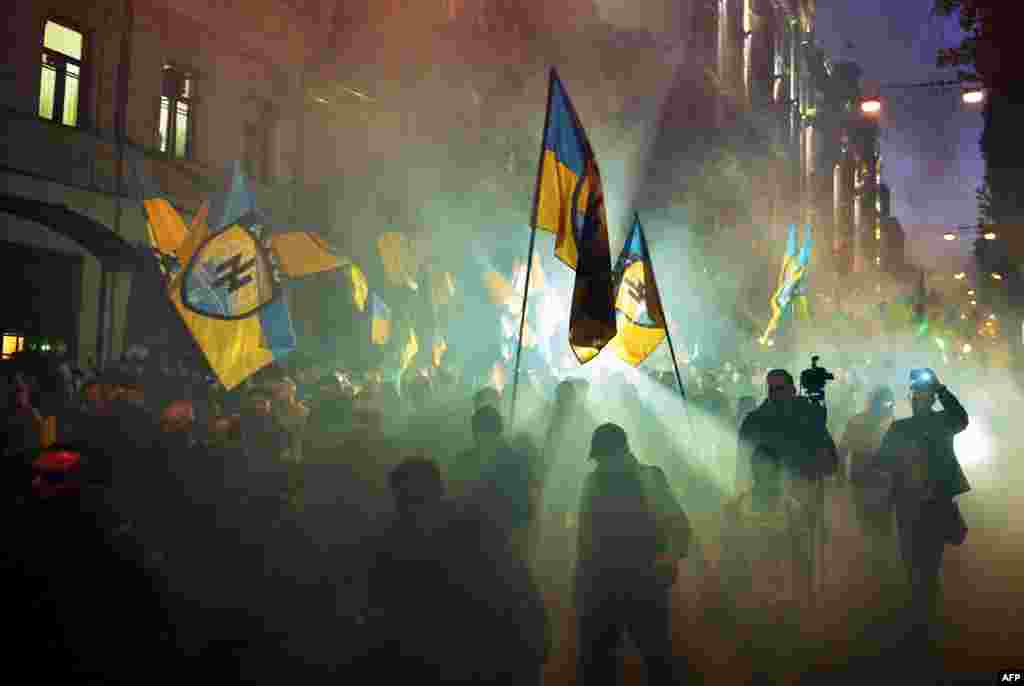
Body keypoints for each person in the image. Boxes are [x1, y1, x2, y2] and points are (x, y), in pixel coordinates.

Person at [575, 423, 694, 686]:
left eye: (603, 458)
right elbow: (584, 538)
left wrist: (668, 560)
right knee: (599, 665)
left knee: (656, 661)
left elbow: (679, 526)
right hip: (602, 586)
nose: (600, 465)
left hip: (642, 583)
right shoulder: (593, 481)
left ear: (620, 452)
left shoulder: (649, 478)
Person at [876, 368, 969, 657]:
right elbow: (884, 463)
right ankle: (924, 624)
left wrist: (941, 388)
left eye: (922, 395)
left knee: (923, 567)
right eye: (918, 395)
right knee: (922, 568)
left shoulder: (914, 426)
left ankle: (923, 625)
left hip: (925, 506)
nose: (919, 400)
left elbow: (961, 418)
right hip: (915, 506)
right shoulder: (911, 427)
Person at [738, 369, 838, 610]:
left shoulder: (809, 415)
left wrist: (821, 466)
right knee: (771, 553)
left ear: (793, 389)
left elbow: (827, 453)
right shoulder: (756, 420)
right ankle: (773, 607)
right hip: (768, 495)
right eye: (772, 389)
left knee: (802, 553)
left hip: (804, 491)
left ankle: (804, 605)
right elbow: (743, 457)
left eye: (781, 389)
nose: (776, 394)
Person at [721, 445, 810, 684]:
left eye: (769, 468)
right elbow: (728, 556)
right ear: (753, 469)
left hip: (785, 598)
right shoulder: (736, 508)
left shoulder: (792, 509)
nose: (764, 473)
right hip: (750, 599)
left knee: (783, 664)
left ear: (778, 470)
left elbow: (803, 558)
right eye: (759, 467)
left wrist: (804, 595)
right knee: (757, 664)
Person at [841, 386, 898, 578]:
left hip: (880, 484)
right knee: (873, 525)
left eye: (891, 403)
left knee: (877, 525)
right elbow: (843, 450)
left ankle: (877, 566)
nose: (889, 407)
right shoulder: (859, 422)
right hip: (868, 482)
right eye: (887, 403)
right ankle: (875, 567)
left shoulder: (893, 425)